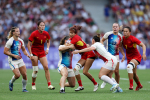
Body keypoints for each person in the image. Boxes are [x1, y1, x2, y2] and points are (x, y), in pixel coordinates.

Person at [68, 25, 99, 92]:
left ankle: (96, 84)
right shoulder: (72, 38)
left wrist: (62, 47)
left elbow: (69, 46)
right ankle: (80, 86)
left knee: (85, 72)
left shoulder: (75, 38)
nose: (70, 34)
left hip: (89, 54)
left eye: (72, 33)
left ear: (75, 33)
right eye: (70, 32)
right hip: (84, 55)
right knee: (76, 69)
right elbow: (68, 43)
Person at [27, 21, 55, 90]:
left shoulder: (46, 33)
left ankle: (49, 85)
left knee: (46, 67)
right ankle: (33, 84)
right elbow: (28, 45)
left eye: (43, 25)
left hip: (42, 52)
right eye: (41, 25)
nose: (43, 27)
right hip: (34, 52)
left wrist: (47, 49)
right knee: (36, 70)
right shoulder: (34, 33)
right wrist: (31, 55)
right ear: (38, 26)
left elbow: (48, 41)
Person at [4, 27, 30, 92]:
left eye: (19, 31)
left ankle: (24, 89)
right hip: (12, 60)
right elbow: (5, 51)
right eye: (17, 31)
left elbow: (23, 50)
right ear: (13, 33)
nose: (19, 32)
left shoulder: (21, 41)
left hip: (19, 59)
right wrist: (14, 55)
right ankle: (11, 82)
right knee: (18, 75)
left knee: (24, 74)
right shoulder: (10, 41)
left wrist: (27, 55)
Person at [100, 23, 125, 92]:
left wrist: (123, 54)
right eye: (113, 27)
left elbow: (120, 46)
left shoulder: (120, 36)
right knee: (109, 73)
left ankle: (117, 86)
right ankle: (117, 87)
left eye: (116, 27)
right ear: (112, 27)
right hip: (108, 56)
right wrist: (103, 48)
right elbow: (102, 40)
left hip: (116, 56)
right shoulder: (108, 34)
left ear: (118, 28)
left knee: (116, 72)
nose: (115, 28)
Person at [122, 26, 146, 91]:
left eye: (126, 31)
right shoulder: (122, 39)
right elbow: (119, 46)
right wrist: (123, 54)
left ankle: (131, 85)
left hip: (136, 56)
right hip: (129, 57)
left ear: (130, 32)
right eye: (124, 31)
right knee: (134, 74)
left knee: (129, 67)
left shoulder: (133, 39)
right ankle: (139, 85)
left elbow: (143, 45)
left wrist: (143, 54)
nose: (125, 32)